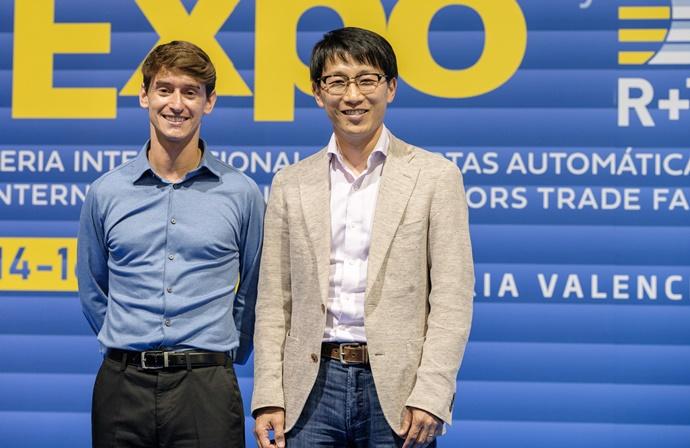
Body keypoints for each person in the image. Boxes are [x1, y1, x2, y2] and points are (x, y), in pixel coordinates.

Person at [252, 27, 474, 448]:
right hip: (309, 390)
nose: (352, 96)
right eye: (337, 82)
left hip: (399, 391)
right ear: (318, 93)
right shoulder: (290, 183)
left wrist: (432, 394)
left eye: (367, 80)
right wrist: (268, 395)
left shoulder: (435, 177)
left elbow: (452, 298)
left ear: (391, 87)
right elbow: (274, 301)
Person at [77, 40, 264, 448]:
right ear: (144, 96)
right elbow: (92, 289)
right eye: (165, 89)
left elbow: (254, 289)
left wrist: (221, 352)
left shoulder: (242, 193)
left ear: (209, 102)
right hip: (122, 385)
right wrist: (126, 339)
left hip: (206, 386)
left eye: (190, 92)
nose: (176, 104)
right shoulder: (105, 192)